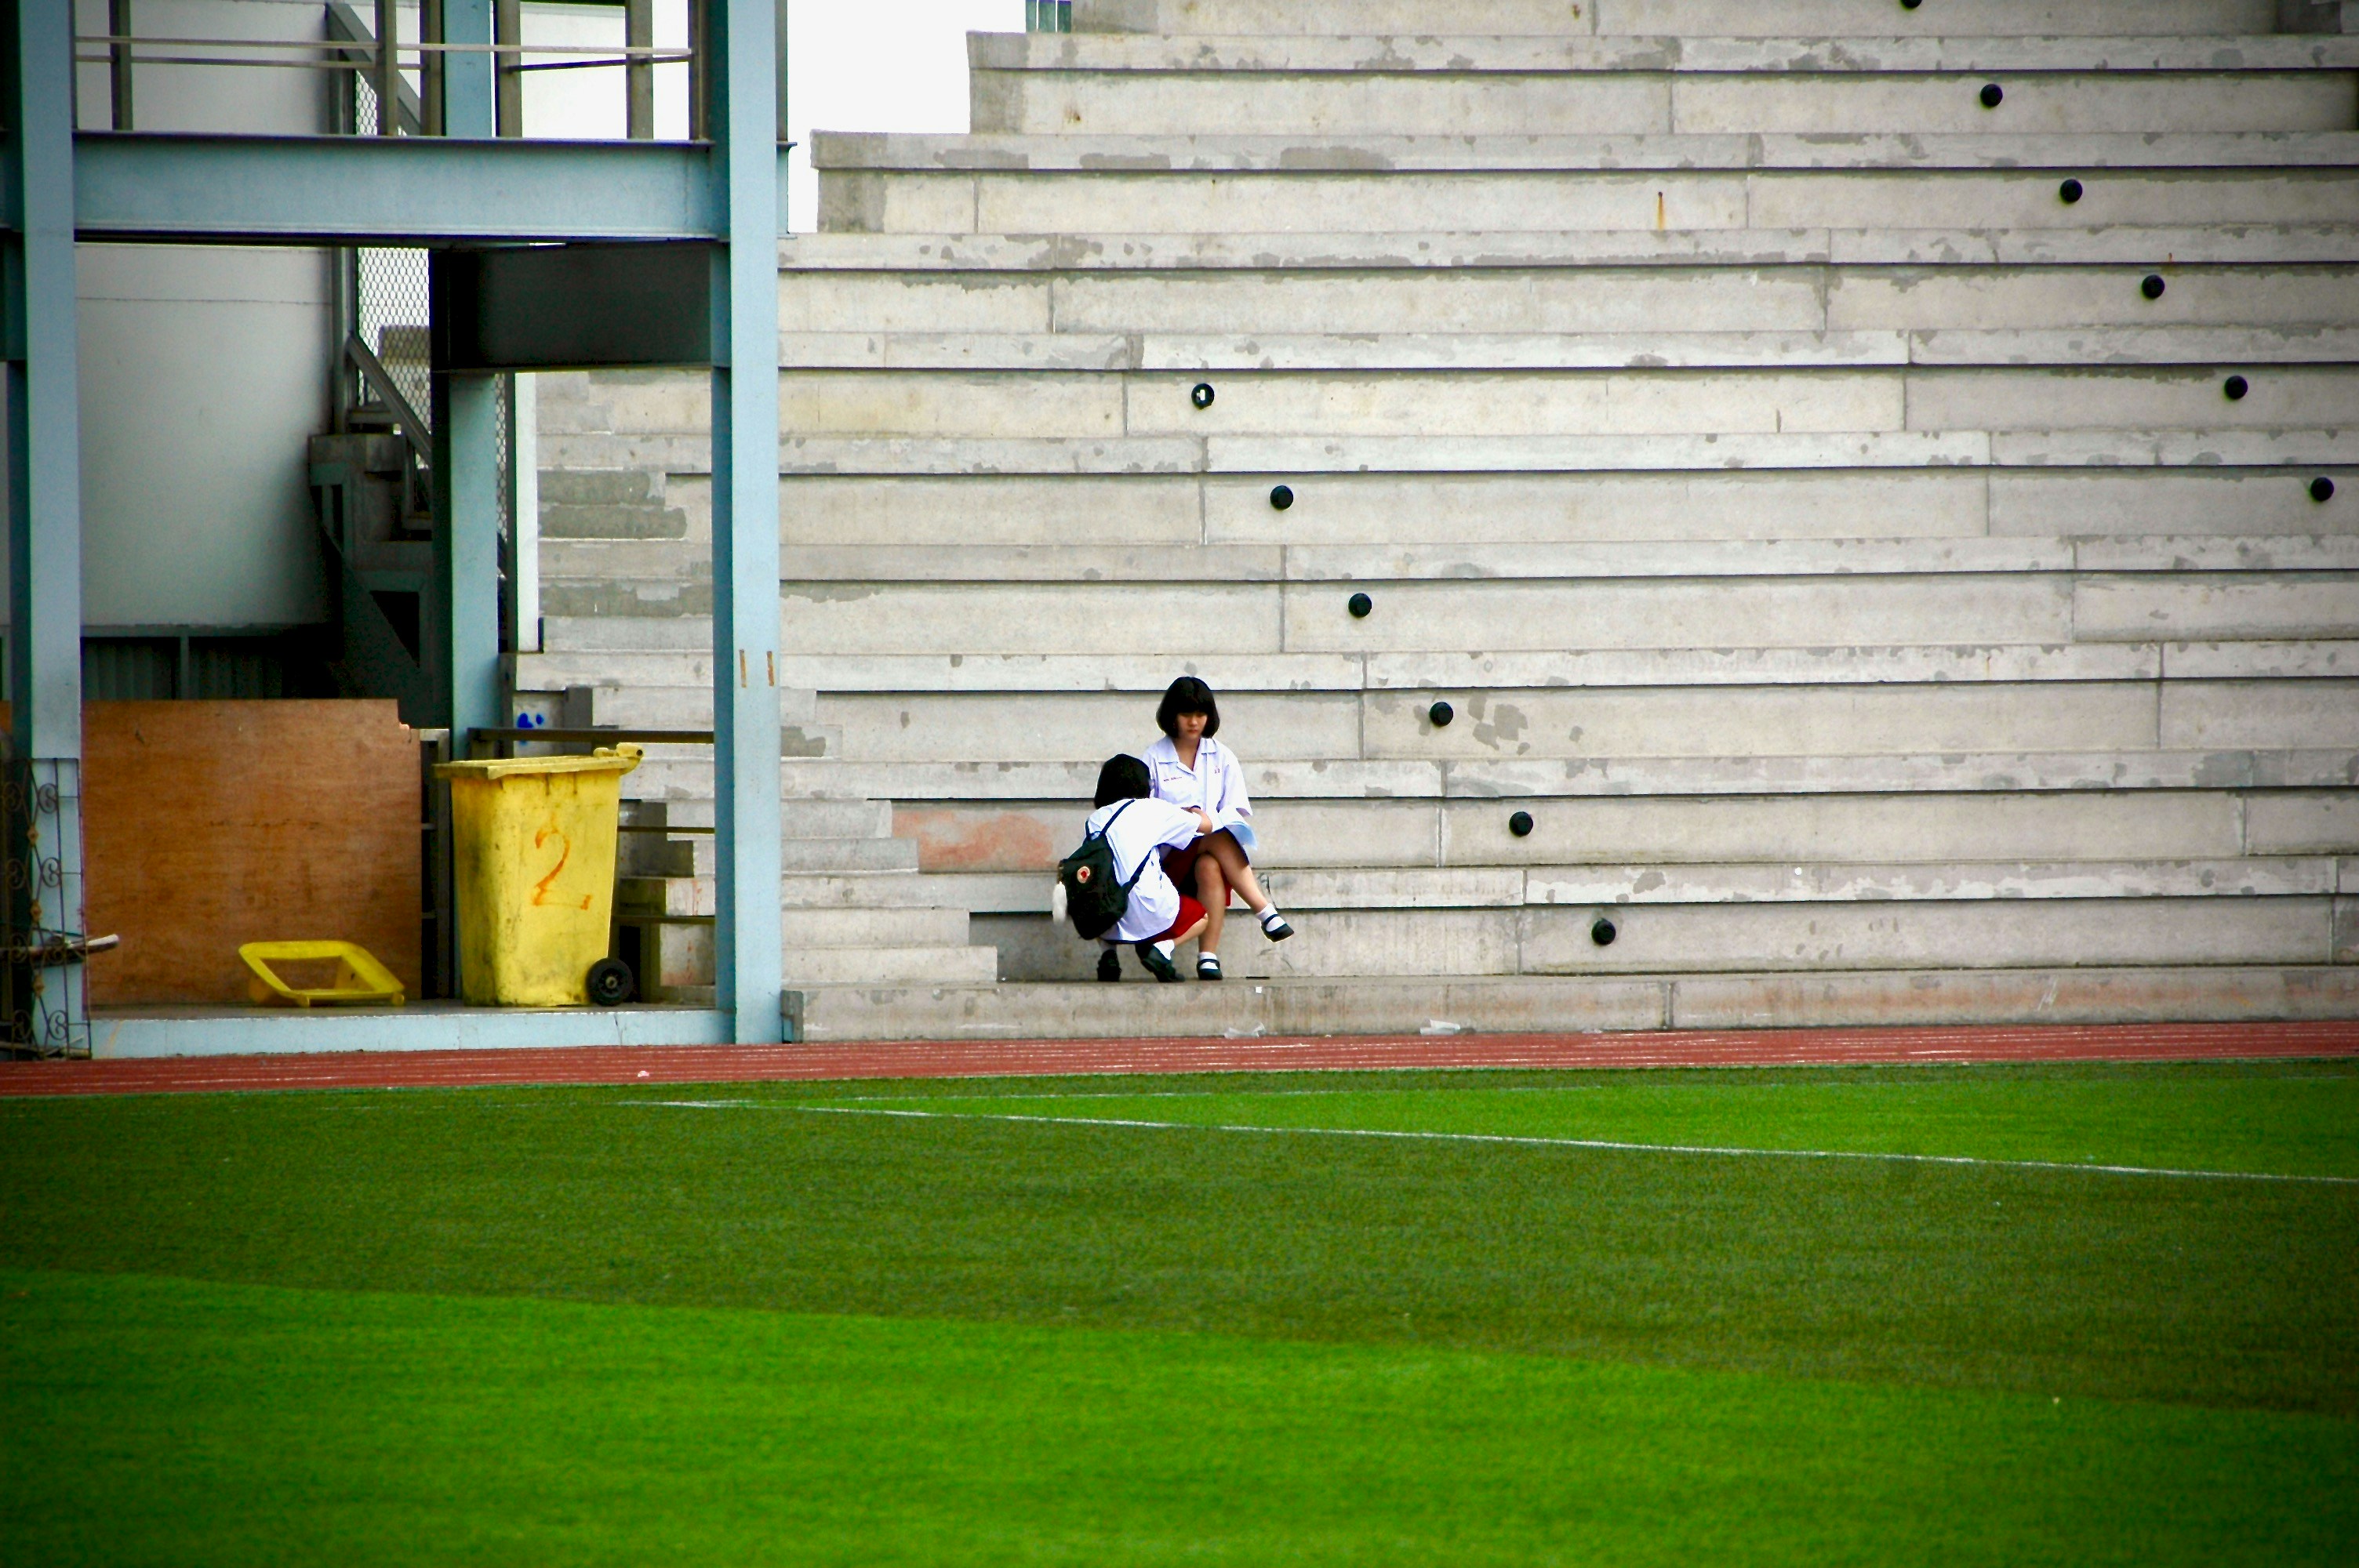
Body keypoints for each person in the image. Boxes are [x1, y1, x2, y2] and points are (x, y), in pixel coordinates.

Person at [1143, 676, 1292, 982]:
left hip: (1208, 851)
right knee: (1210, 836)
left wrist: (1208, 821)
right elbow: (1144, 814)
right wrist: (1184, 819)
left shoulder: (1222, 756)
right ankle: (1265, 912)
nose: (1194, 722)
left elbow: (1236, 810)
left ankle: (1207, 956)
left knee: (1210, 863)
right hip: (1168, 859)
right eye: (1186, 714)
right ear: (1171, 715)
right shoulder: (1153, 758)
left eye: (1200, 714)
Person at [1079, 754, 1212, 983]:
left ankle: (1108, 954)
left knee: (1099, 889)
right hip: (1151, 908)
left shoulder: (1095, 819)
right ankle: (1162, 949)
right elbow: (1206, 826)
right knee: (1202, 917)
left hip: (1105, 915)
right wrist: (1194, 810)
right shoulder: (1153, 809)